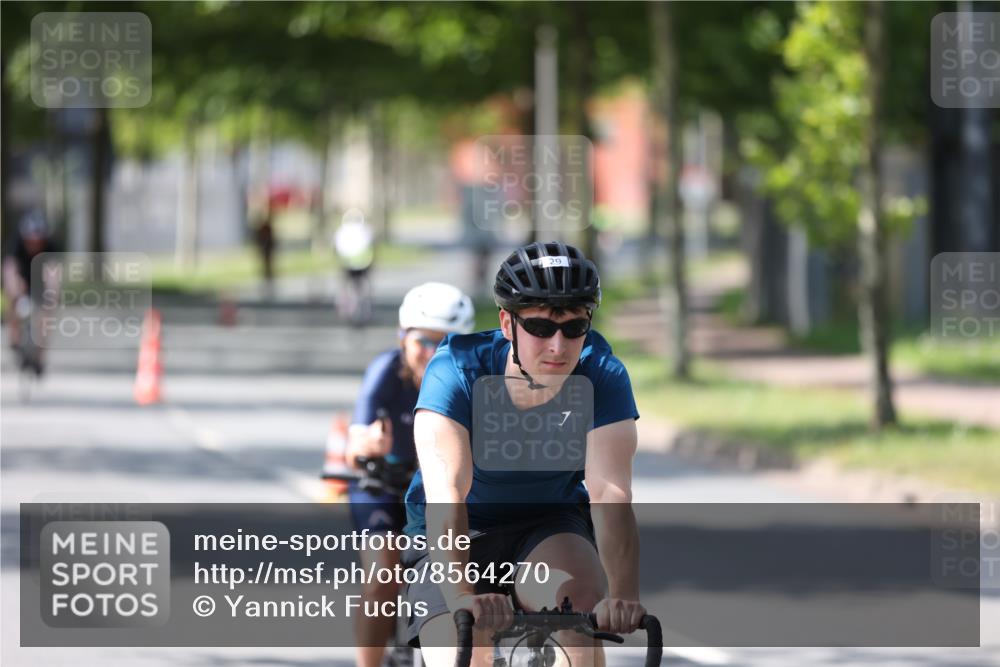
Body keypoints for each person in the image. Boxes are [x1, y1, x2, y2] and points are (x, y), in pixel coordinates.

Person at [402, 242, 645, 667]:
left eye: (574, 327)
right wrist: (461, 595)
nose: (558, 345)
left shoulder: (602, 375)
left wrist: (622, 596)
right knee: (462, 646)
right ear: (507, 324)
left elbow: (610, 494)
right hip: (460, 526)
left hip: (545, 524)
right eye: (539, 327)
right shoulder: (456, 372)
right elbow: (448, 495)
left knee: (581, 612)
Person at [348, 281, 475, 667]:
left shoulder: (472, 380)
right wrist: (368, 444)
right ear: (403, 337)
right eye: (423, 341)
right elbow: (357, 438)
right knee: (381, 578)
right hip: (384, 486)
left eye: (447, 341)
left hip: (442, 490)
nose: (433, 352)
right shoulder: (386, 370)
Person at [3, 209, 60, 374]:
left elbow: (53, 272)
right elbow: (9, 269)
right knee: (11, 297)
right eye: (31, 240)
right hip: (21, 280)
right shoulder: (16, 244)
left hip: (40, 281)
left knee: (46, 313)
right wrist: (14, 287)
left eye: (38, 240)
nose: (34, 244)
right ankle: (14, 338)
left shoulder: (50, 246)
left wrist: (52, 292)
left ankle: (39, 357)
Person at [334, 209, 376, 325]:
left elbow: (336, 249)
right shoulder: (366, 230)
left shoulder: (341, 231)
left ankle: (344, 308)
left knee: (345, 285)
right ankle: (367, 309)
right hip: (364, 263)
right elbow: (372, 246)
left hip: (347, 263)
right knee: (365, 287)